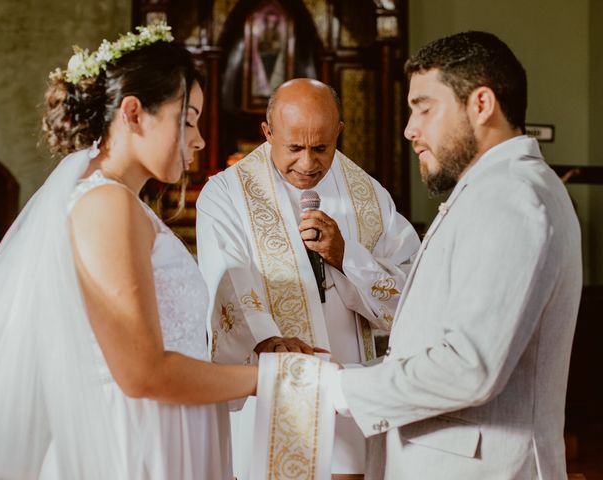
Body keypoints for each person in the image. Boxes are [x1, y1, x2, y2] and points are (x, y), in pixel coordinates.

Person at [0, 24, 257, 479]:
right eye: (189, 119)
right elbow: (142, 373)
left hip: (163, 433)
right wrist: (273, 380)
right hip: (133, 446)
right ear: (134, 113)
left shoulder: (121, 203)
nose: (198, 140)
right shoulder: (106, 204)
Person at [334, 31, 582, 479]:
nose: (410, 129)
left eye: (423, 109)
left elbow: (469, 367)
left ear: (480, 104)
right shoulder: (492, 188)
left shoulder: (511, 197)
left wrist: (340, 387)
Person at [196, 78, 420, 477]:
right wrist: (265, 336)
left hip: (350, 386)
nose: (308, 163)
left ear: (339, 132)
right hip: (272, 386)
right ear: (268, 133)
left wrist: (346, 256)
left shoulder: (369, 195)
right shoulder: (225, 194)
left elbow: (410, 287)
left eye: (321, 148)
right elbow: (225, 280)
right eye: (294, 148)